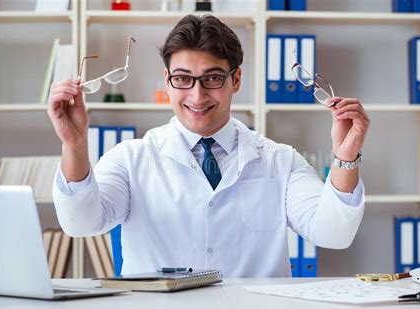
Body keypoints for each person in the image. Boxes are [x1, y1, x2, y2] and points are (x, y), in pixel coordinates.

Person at [48, 14, 370, 277]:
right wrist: (74, 145)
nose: (197, 96)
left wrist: (346, 157)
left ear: (236, 79)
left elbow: (333, 233)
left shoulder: (279, 161)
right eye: (183, 79)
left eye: (213, 78)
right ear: (167, 80)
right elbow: (81, 222)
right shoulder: (131, 159)